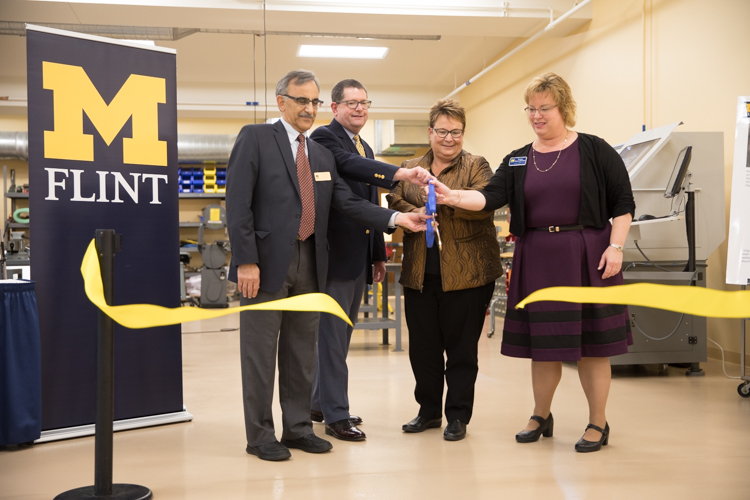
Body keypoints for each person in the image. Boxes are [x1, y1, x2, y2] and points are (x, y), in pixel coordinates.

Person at [225, 69, 428, 462]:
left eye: (314, 101)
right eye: (301, 100)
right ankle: (260, 435)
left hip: (312, 263)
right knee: (260, 353)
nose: (308, 108)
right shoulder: (256, 138)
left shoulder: (318, 154)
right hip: (265, 266)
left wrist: (396, 221)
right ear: (281, 101)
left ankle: (299, 428)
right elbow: (238, 204)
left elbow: (345, 202)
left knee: (302, 353)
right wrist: (246, 260)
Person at [431, 73, 635, 452]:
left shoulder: (594, 149)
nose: (537, 116)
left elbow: (623, 203)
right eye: (531, 109)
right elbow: (489, 197)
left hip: (587, 253)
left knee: (592, 346)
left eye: (545, 108)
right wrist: (451, 196)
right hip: (538, 255)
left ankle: (598, 422)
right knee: (543, 344)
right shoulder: (519, 158)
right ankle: (541, 414)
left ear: (564, 109)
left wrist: (616, 247)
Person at [309, 79, 432, 441]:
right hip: (333, 257)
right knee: (331, 340)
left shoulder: (362, 143)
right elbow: (348, 180)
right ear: (334, 108)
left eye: (364, 103)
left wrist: (378, 253)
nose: (359, 109)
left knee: (339, 337)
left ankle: (319, 403)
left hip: (358, 256)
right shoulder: (325, 139)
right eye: (351, 103)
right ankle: (336, 414)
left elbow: (371, 200)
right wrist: (400, 173)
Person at [387, 99, 502, 441]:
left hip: (468, 275)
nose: (449, 138)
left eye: (456, 132)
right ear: (430, 132)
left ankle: (457, 416)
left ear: (463, 134)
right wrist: (418, 211)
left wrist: (449, 201)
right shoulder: (411, 167)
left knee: (461, 349)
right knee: (423, 347)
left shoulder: (477, 165)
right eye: (442, 131)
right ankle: (428, 411)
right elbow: (394, 198)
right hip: (421, 274)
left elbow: (485, 203)